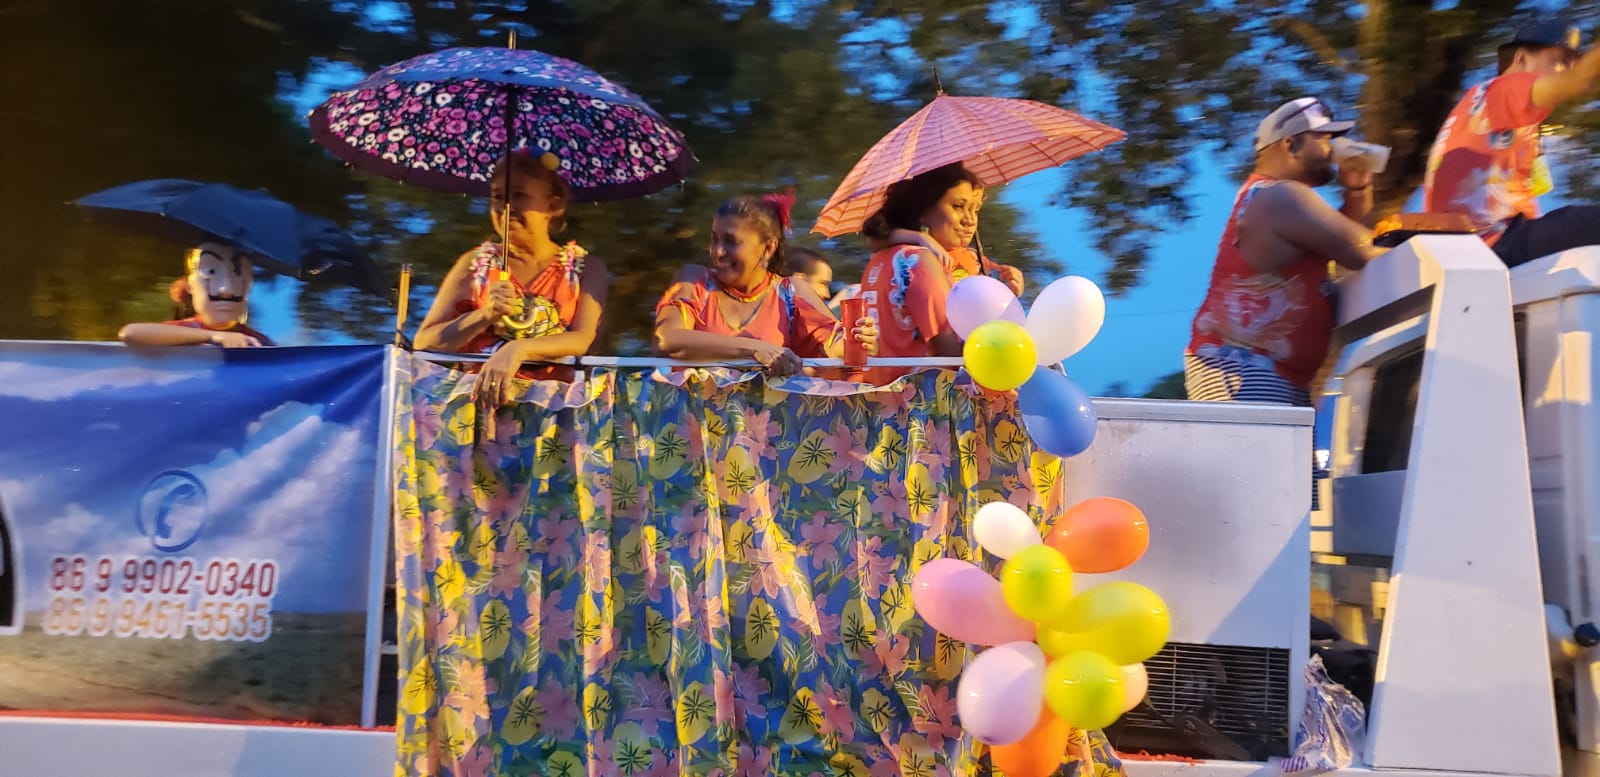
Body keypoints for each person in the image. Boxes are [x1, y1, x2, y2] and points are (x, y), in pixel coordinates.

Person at [1185, 97, 1387, 406]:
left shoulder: (1272, 196)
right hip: (1246, 371)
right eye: (1323, 139)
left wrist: (1357, 189)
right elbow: (1359, 250)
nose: (1333, 149)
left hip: (1264, 371)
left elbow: (1340, 242)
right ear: (1291, 144)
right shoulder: (1280, 196)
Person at [413, 149, 608, 405]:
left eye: (519, 195)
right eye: (497, 196)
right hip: (474, 409)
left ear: (553, 206)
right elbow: (424, 342)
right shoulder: (474, 265)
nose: (505, 206)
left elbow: (583, 339)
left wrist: (517, 349)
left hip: (552, 414)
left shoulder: (585, 268)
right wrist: (484, 315)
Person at [1423, 19, 1600, 267]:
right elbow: (1576, 81)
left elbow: (1528, 201)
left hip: (1467, 248)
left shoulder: (1492, 112)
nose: (1567, 71)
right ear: (1521, 59)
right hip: (1491, 242)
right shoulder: (1503, 89)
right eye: (1561, 61)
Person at [653, 194, 876, 376]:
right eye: (714, 239)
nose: (717, 251)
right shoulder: (694, 280)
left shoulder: (791, 292)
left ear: (768, 248)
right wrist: (754, 349)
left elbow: (834, 346)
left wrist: (860, 338)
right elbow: (665, 339)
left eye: (731, 242)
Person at [854, 162, 1024, 384]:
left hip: (881, 393)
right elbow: (947, 345)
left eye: (975, 209)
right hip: (927, 396)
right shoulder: (918, 261)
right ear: (922, 209)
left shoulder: (881, 258)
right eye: (958, 206)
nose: (970, 220)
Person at [119, 241, 276, 348]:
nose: (226, 290)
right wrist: (213, 336)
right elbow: (131, 333)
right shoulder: (180, 332)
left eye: (238, 272)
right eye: (210, 271)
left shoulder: (259, 342)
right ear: (189, 285)